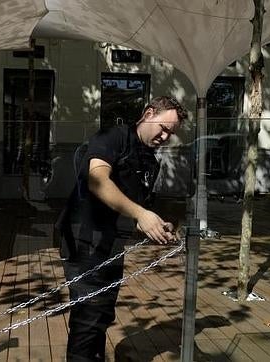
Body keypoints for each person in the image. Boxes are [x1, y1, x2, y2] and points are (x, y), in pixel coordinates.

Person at [55, 96, 187, 361]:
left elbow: (136, 209)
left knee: (102, 314)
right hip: (85, 240)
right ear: (149, 113)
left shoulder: (150, 159)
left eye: (171, 133)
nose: (165, 137)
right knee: (88, 318)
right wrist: (141, 214)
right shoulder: (114, 136)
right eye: (163, 128)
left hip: (112, 245)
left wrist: (157, 223)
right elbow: (97, 181)